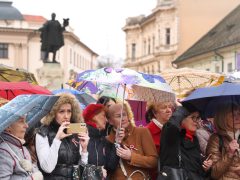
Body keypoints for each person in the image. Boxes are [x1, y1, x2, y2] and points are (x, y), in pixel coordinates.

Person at [35, 93, 89, 179]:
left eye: (69, 111)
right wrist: (57, 139)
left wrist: (84, 150)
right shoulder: (43, 132)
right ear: (53, 113)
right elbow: (47, 168)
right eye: (61, 111)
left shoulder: (75, 132)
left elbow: (81, 169)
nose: (66, 116)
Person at [106, 102, 158, 179]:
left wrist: (132, 157)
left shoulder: (142, 132)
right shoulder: (108, 139)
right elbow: (108, 168)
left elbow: (154, 161)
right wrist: (116, 142)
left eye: (124, 114)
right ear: (110, 121)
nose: (123, 119)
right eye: (118, 116)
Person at [159, 105, 212, 180]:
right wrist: (184, 107)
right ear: (182, 117)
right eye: (193, 117)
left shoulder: (193, 139)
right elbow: (171, 125)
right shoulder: (171, 136)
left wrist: (206, 168)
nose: (196, 121)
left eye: (197, 118)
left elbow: (197, 170)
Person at [83, 103, 120, 178]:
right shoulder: (82, 137)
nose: (106, 120)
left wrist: (117, 142)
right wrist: (98, 171)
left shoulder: (104, 140)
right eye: (104, 116)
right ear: (94, 116)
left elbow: (111, 166)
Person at [206, 103, 240, 179]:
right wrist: (229, 153)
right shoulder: (216, 139)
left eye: (239, 113)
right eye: (233, 115)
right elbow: (214, 173)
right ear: (223, 118)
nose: (238, 118)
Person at [145, 101, 174, 179]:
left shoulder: (172, 128)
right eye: (164, 107)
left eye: (170, 107)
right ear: (155, 113)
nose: (169, 110)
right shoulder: (147, 131)